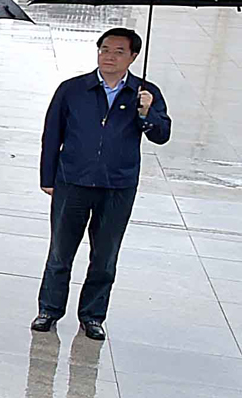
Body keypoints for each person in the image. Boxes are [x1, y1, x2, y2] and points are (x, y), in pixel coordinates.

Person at [32, 27, 171, 340]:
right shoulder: (73, 89)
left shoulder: (145, 92)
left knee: (105, 256)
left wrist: (147, 113)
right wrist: (48, 177)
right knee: (60, 252)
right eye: (105, 49)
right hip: (73, 181)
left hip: (117, 186)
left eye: (119, 51)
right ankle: (49, 310)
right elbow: (52, 134)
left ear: (133, 56)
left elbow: (162, 135)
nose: (109, 56)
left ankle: (92, 316)